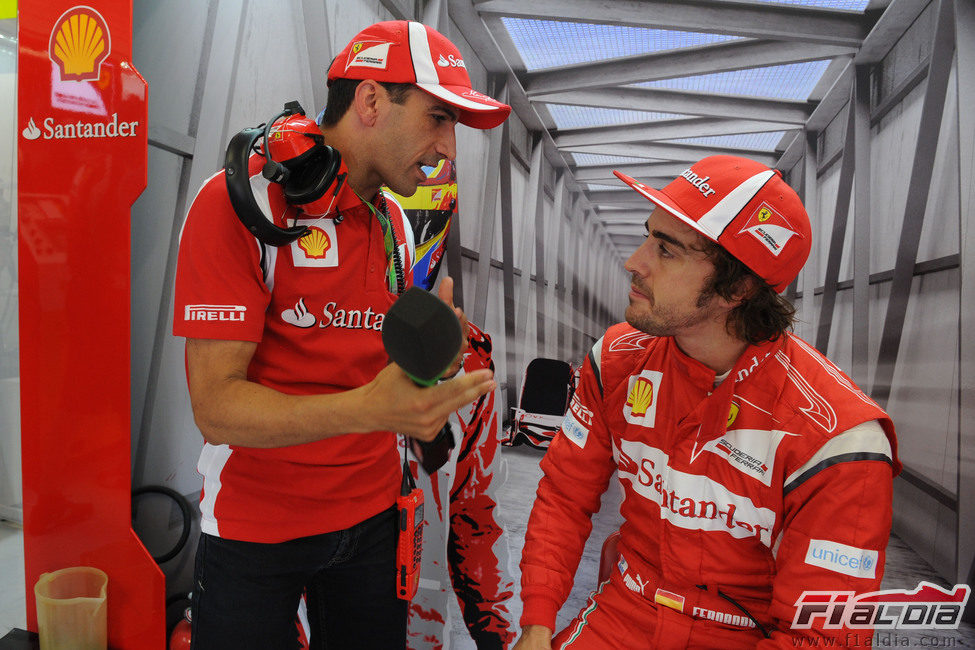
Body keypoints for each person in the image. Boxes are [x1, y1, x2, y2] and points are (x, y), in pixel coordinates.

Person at [172, 20, 510, 649]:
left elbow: (381, 368)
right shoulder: (241, 204)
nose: (450, 149)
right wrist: (369, 409)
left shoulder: (400, 226)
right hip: (254, 529)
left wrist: (435, 361)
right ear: (372, 100)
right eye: (439, 118)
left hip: (374, 522)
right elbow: (215, 407)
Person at [514, 155, 900, 649]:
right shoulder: (615, 360)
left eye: (667, 250)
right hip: (623, 610)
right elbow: (565, 497)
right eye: (648, 236)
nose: (635, 261)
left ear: (737, 288)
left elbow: (820, 634)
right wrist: (537, 625)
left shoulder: (840, 438)